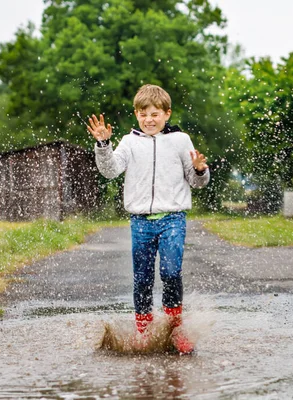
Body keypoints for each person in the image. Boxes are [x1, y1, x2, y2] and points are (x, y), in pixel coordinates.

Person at [87, 84, 210, 354]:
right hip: (140, 222)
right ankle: (143, 331)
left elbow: (195, 180)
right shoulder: (129, 142)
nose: (149, 119)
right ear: (136, 114)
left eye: (155, 114)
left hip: (172, 218)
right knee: (142, 278)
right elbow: (109, 170)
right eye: (143, 114)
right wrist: (103, 144)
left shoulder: (180, 140)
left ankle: (174, 330)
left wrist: (201, 170)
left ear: (167, 114)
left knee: (170, 273)